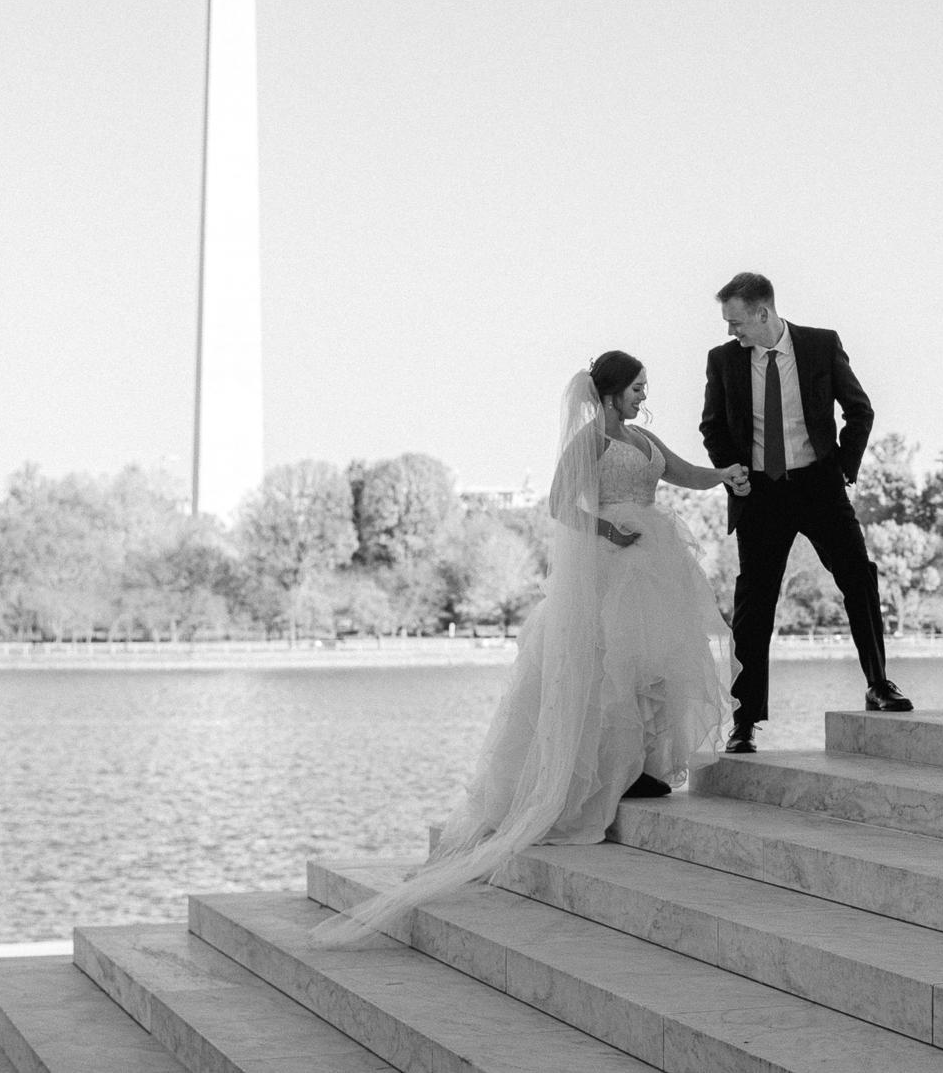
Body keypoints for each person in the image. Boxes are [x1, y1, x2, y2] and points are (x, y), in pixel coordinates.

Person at [313, 351, 747, 945]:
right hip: (610, 563)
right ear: (611, 392)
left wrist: (722, 475)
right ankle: (597, 772)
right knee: (604, 667)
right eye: (637, 387)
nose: (644, 395)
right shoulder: (590, 442)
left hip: (652, 562)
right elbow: (559, 504)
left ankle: (640, 766)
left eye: (645, 387)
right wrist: (607, 529)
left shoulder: (644, 440)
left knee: (650, 666)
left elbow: (683, 472)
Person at [701, 272, 911, 754]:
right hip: (759, 494)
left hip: (819, 486)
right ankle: (744, 721)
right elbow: (712, 426)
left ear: (763, 313)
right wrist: (733, 472)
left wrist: (843, 469)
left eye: (736, 322)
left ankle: (879, 684)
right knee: (754, 606)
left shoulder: (820, 345)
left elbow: (859, 411)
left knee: (859, 578)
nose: (731, 331)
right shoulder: (723, 360)